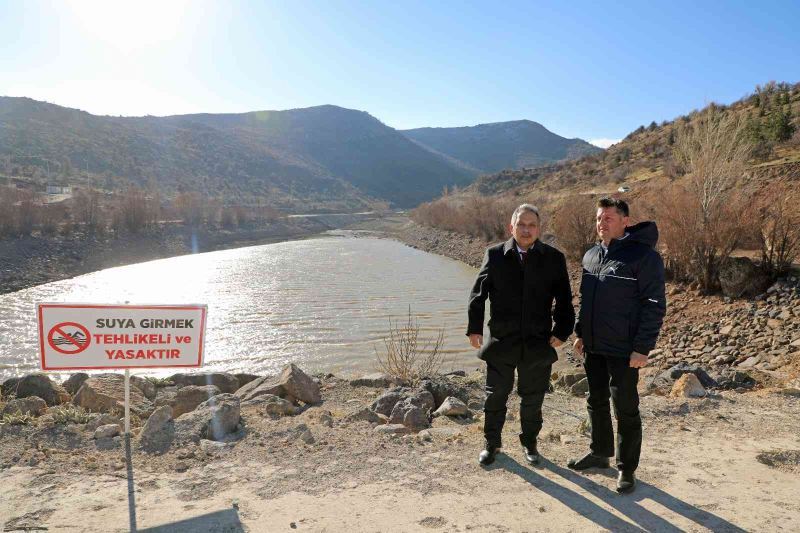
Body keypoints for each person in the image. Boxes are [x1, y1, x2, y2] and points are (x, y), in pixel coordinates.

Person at [569, 197, 666, 493]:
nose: (602, 223)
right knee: (595, 401)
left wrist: (642, 348)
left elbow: (654, 304)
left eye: (608, 218)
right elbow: (586, 300)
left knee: (625, 407)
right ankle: (600, 453)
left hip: (625, 349)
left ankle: (627, 468)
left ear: (625, 221)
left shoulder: (643, 257)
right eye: (599, 218)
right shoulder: (590, 256)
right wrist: (580, 332)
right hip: (594, 345)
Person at [467, 204, 575, 466]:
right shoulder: (494, 255)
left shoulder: (553, 258)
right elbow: (478, 294)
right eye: (521, 225)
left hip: (537, 342)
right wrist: (475, 328)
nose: (526, 230)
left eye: (532, 225)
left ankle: (530, 443)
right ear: (511, 227)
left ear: (539, 229)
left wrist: (562, 331)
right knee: (495, 396)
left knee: (533, 398)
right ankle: (491, 444)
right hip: (502, 341)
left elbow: (564, 300)